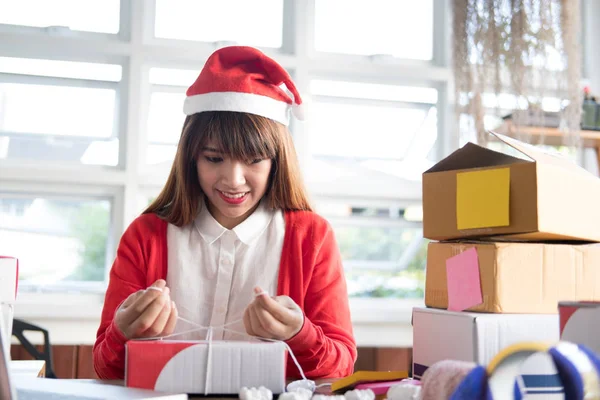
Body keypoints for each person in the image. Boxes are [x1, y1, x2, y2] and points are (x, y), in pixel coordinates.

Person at [93, 46, 357, 381]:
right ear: (191, 158)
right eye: (214, 159)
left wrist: (299, 333)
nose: (233, 180)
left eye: (253, 159)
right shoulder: (146, 235)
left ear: (277, 161)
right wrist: (123, 333)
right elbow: (105, 367)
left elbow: (340, 367)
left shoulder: (312, 236)